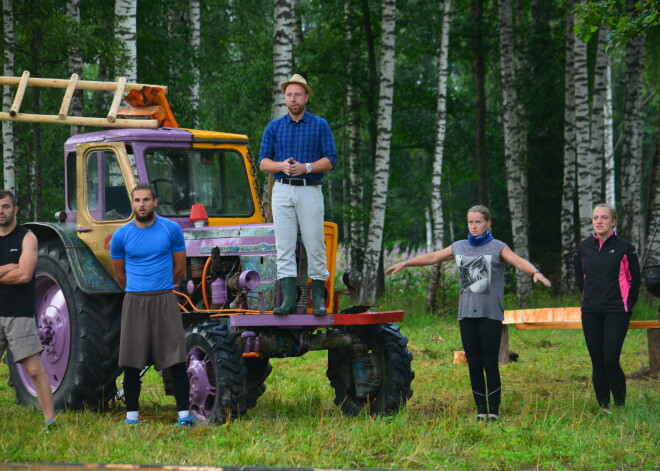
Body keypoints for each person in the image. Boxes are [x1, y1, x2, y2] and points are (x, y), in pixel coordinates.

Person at [386, 205, 551, 421]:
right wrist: (406, 262)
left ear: (488, 223)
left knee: (490, 363)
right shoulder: (459, 246)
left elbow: (518, 261)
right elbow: (433, 257)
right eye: (470, 222)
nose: (474, 226)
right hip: (466, 315)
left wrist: (535, 272)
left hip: (490, 314)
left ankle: (494, 410)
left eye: (478, 222)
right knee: (473, 363)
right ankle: (481, 410)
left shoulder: (497, 247)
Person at [110, 183, 193, 426]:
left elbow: (179, 268)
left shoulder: (171, 230)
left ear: (155, 202)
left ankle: (184, 416)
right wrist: (139, 289)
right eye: (137, 200)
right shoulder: (121, 235)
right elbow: (119, 275)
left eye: (146, 200)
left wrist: (160, 286)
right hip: (135, 301)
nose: (141, 204)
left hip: (165, 299)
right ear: (132, 204)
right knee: (131, 361)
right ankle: (132, 417)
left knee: (176, 359)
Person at [258, 73, 338, 315]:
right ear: (285, 98)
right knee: (284, 245)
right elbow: (263, 162)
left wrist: (307, 167)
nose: (293, 99)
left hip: (310, 189)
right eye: (289, 95)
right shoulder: (274, 126)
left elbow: (331, 159)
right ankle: (288, 300)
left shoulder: (319, 125)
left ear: (306, 97)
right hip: (282, 190)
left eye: (297, 95)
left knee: (315, 242)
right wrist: (281, 166)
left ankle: (318, 299)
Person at [573, 203, 640, 413]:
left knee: (610, 359)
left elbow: (634, 281)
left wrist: (626, 306)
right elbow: (580, 279)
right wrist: (590, 300)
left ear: (613, 222)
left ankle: (620, 405)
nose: (599, 222)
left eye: (604, 218)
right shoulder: (583, 247)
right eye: (595, 218)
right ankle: (604, 407)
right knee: (598, 361)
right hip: (591, 312)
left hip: (616, 311)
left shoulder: (625, 248)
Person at [0, 190, 56, 430]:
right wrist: (8, 267)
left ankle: (50, 420)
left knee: (34, 369)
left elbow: (24, 274)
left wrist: (14, 269)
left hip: (19, 314)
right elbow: (16, 270)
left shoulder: (27, 237)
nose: (1, 211)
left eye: (5, 206)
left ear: (15, 210)